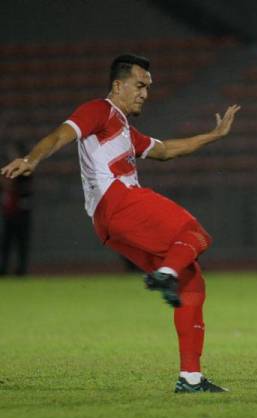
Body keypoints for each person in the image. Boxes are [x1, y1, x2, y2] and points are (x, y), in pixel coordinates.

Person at [1, 54, 241, 394]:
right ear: (118, 85)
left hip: (107, 224)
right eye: (140, 85)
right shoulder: (98, 110)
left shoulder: (126, 130)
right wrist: (30, 159)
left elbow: (167, 150)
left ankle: (190, 378)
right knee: (194, 233)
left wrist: (215, 135)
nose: (145, 93)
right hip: (118, 200)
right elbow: (60, 136)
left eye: (148, 87)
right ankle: (165, 275)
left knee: (193, 283)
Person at [1, 141, 33, 276]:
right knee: (6, 243)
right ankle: (3, 269)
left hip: (22, 212)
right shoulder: (9, 169)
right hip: (10, 212)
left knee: (21, 243)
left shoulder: (25, 171)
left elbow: (21, 189)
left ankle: (21, 270)